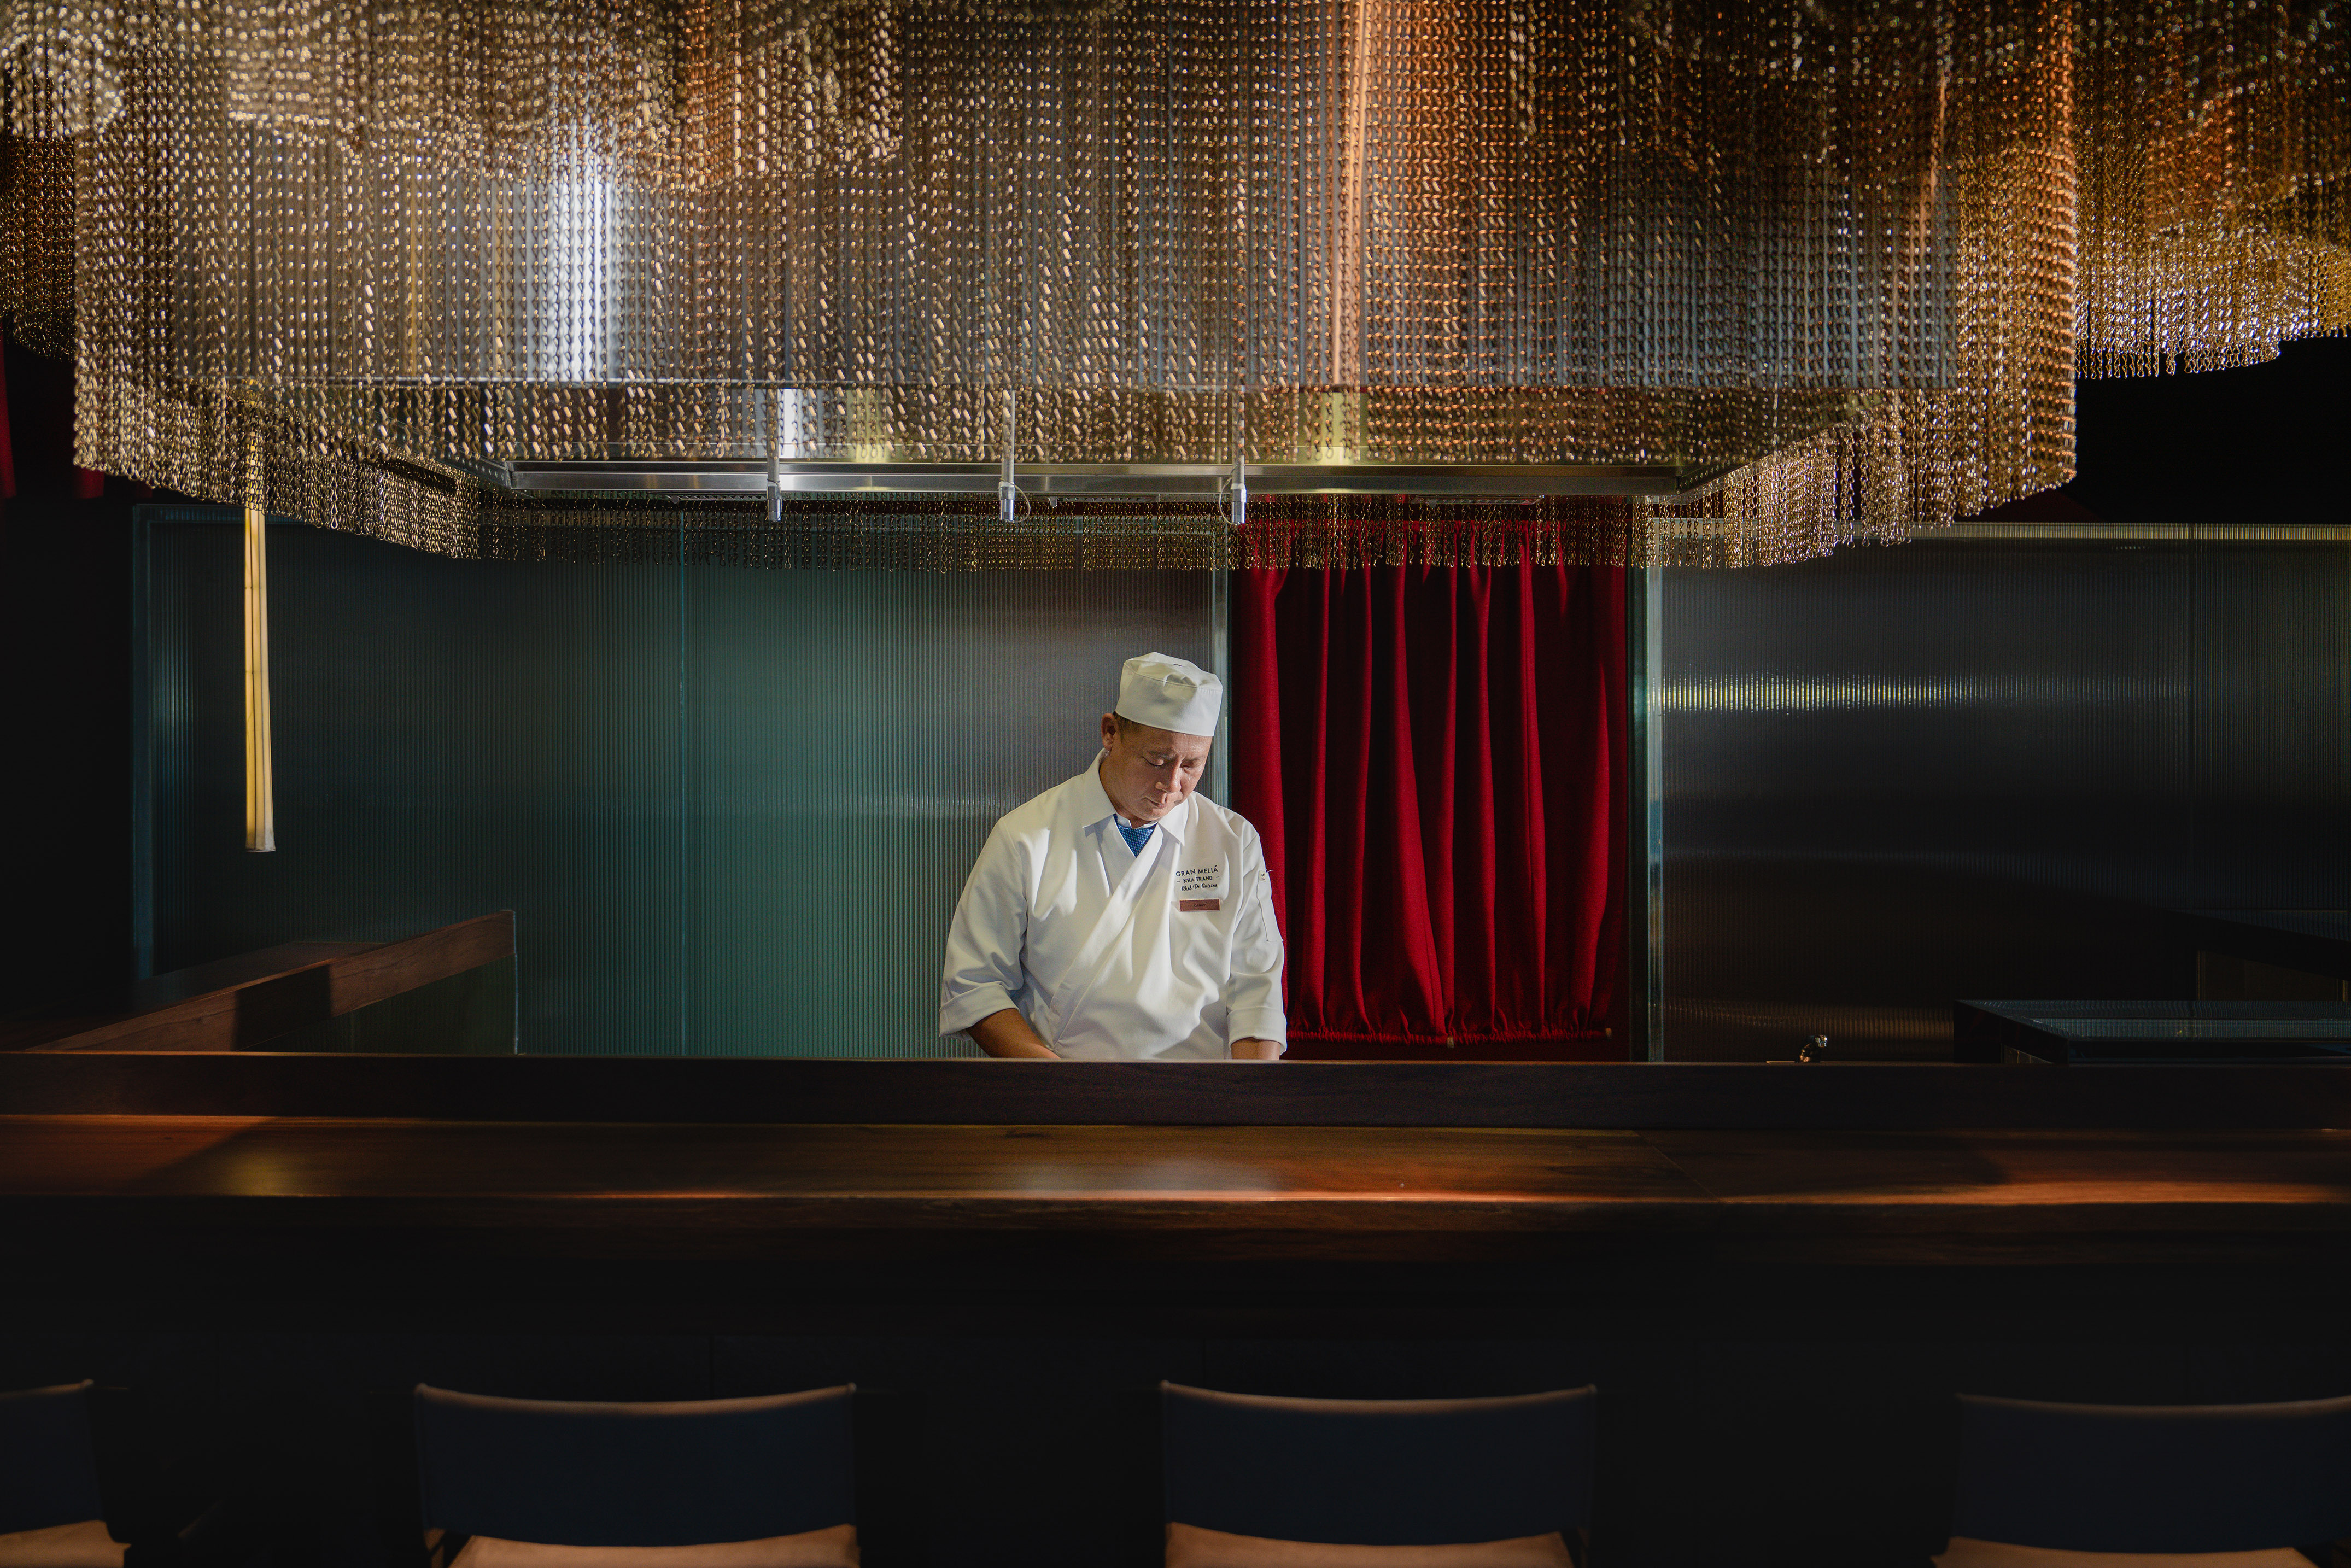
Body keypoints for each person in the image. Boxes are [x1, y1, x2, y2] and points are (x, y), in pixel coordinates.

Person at [938, 652, 1286, 1061]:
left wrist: (1244, 1105)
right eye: (1156, 760)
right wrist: (1063, 1091)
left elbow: (1257, 994)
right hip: (1067, 1098)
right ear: (1110, 732)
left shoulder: (1233, 840)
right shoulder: (1025, 837)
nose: (1172, 785)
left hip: (1203, 1098)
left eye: (1193, 765)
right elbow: (975, 985)